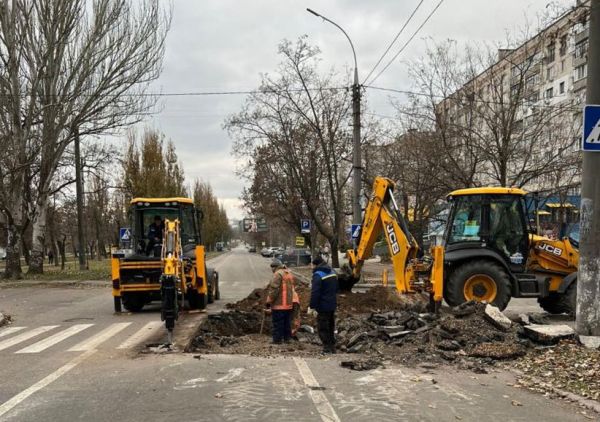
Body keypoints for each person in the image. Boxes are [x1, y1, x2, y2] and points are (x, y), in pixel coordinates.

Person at [309, 255, 338, 354]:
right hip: (332, 304)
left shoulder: (318, 275)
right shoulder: (332, 272)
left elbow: (315, 292)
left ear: (315, 264)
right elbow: (336, 289)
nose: (311, 267)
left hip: (322, 306)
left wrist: (312, 306)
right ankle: (332, 347)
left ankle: (327, 348)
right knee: (330, 326)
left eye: (312, 265)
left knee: (322, 327)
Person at [265, 259, 296, 344]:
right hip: (288, 304)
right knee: (287, 322)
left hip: (279, 304)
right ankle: (287, 339)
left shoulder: (277, 274)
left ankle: (277, 340)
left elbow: (274, 290)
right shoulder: (288, 273)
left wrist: (269, 301)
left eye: (272, 268)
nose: (272, 270)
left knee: (278, 323)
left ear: (275, 267)